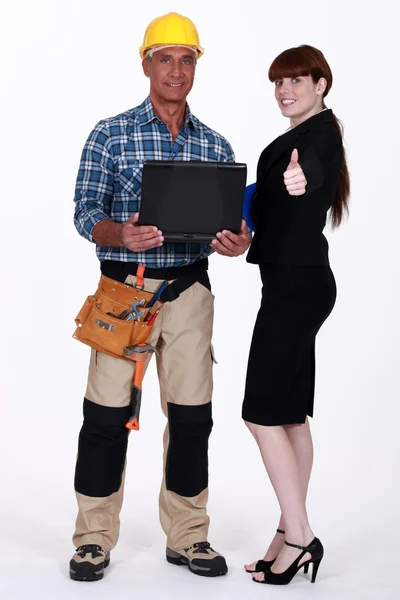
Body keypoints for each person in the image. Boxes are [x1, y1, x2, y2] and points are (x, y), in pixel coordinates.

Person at [70, 12, 251, 582]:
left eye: (187, 59)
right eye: (165, 58)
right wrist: (119, 232)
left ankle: (188, 536)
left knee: (194, 417)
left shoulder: (215, 143)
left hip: (191, 290)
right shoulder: (111, 133)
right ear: (145, 63)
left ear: (197, 66)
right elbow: (85, 215)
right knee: (105, 416)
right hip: (124, 291)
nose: (177, 70)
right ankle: (93, 539)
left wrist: (236, 242)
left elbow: (232, 227)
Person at [242, 45, 350, 585]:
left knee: (259, 414)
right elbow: (263, 202)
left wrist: (298, 179)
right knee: (287, 416)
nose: (286, 91)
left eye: (297, 81)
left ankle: (302, 537)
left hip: (296, 287)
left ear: (321, 85)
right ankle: (288, 532)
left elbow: (306, 172)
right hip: (296, 282)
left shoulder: (319, 137)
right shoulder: (294, 139)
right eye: (279, 83)